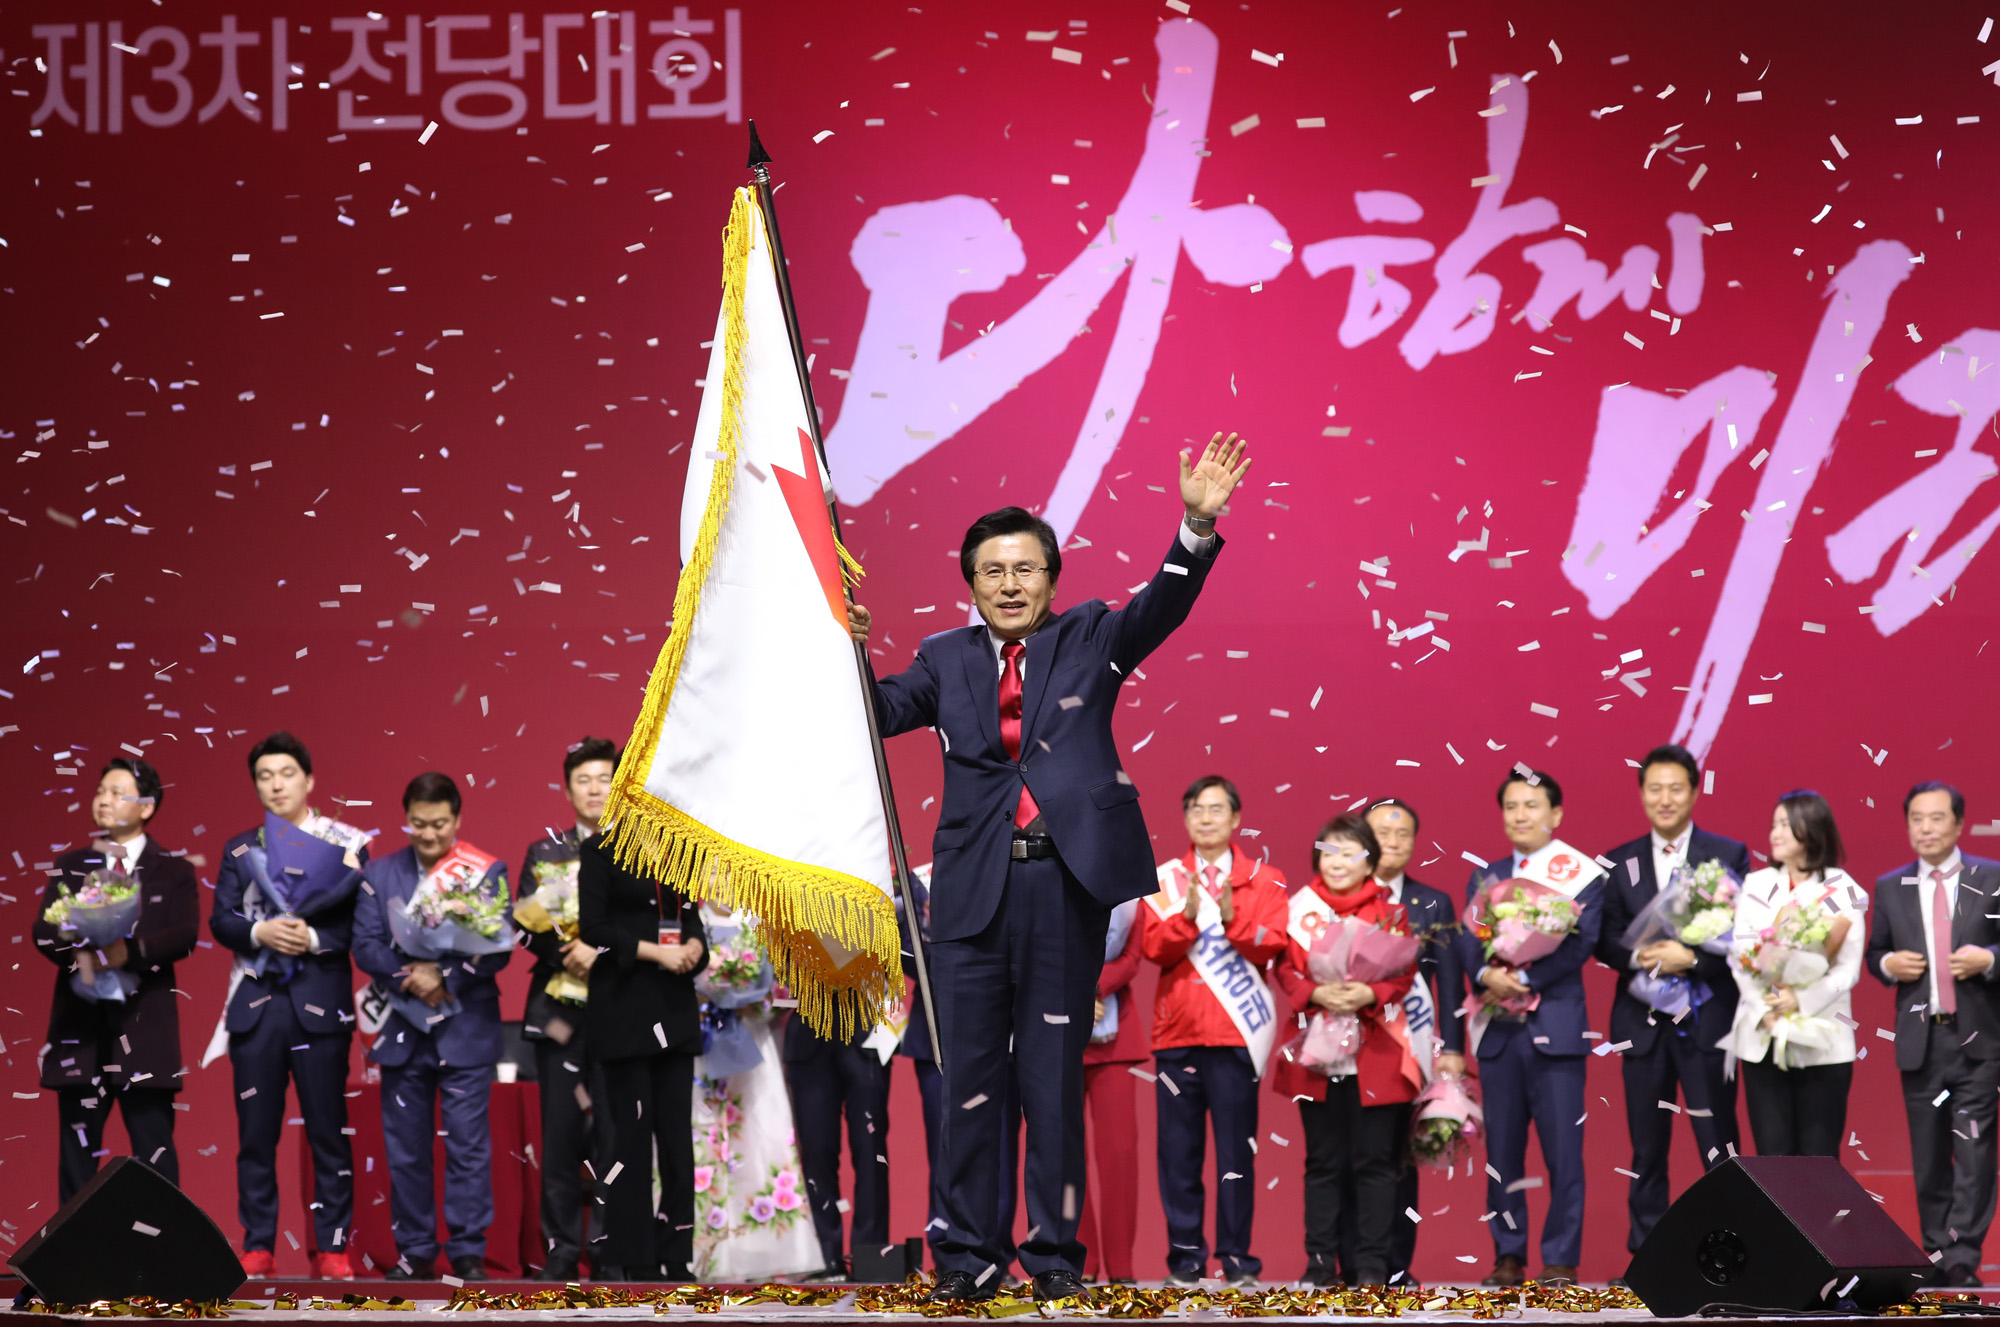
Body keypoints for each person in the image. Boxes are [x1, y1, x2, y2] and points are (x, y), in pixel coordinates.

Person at [849, 432, 1250, 1303]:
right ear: (970, 584)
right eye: (991, 571)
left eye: (1024, 568)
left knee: (1050, 1080)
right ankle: (966, 1256)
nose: (1009, 583)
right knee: (967, 1084)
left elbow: (1163, 607)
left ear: (1052, 579)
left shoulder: (1089, 635)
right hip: (970, 894)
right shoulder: (944, 657)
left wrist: (1195, 526)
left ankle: (1055, 1254)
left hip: (1061, 886)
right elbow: (875, 713)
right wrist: (845, 648)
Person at [208, 732, 370, 1279]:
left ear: (309, 779)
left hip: (320, 1004)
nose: (276, 785)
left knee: (328, 1131)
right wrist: (261, 931)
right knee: (255, 1134)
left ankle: (332, 1247)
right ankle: (258, 1244)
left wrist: (313, 938)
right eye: (264, 776)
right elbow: (222, 919)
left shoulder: (346, 845)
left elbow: (361, 925)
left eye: (286, 774)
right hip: (257, 1006)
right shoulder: (240, 848)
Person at [1436, 768, 1603, 1288]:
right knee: (1502, 1153)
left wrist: (1525, 977)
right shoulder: (1486, 877)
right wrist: (1486, 974)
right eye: (1511, 806)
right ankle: (1507, 1254)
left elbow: (1582, 942)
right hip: (1499, 1033)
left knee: (1564, 1153)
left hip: (1557, 1031)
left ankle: (1560, 1258)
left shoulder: (1581, 875)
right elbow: (1470, 938)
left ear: (1556, 814)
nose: (1520, 815)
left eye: (1531, 805)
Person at [352, 773, 514, 1280]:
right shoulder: (379, 873)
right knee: (406, 1149)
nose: (428, 834)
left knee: (468, 1146)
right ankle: (416, 1248)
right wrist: (412, 977)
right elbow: (365, 944)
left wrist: (444, 976)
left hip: (465, 1026)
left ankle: (467, 1250)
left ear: (457, 819)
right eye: (418, 824)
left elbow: (499, 947)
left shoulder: (485, 871)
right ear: (406, 819)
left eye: (439, 824)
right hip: (403, 1027)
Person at [1594, 744, 1751, 1258]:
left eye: (1675, 789)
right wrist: (1639, 957)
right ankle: (1648, 1258)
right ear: (1641, 794)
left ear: (1695, 792)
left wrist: (1693, 958)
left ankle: (1731, 1254)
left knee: (1719, 1144)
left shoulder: (1727, 855)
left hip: (1707, 1021)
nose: (1665, 799)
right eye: (1655, 789)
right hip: (1641, 1024)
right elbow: (1605, 937)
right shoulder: (1618, 861)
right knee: (1646, 1149)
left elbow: (1746, 935)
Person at [1140, 775, 1288, 1287]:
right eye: (1196, 809)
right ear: (1185, 818)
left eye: (1216, 808)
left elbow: (1273, 942)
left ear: (1236, 818)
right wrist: (1186, 918)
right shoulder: (1165, 880)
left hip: (1235, 1040)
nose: (1206, 818)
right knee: (1177, 1158)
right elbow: (1152, 948)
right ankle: (1185, 1260)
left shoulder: (1266, 879)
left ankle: (1237, 1258)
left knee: (1235, 1156)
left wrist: (1233, 921)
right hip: (1176, 1038)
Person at [33, 758, 199, 1203]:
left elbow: (184, 935)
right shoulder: (71, 864)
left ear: (146, 807)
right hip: (80, 1034)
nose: (103, 800)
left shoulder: (174, 870)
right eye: (99, 791)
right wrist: (83, 953)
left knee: (156, 1157)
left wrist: (130, 952)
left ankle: (165, 1244)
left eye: (116, 792)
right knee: (76, 1163)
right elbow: (43, 931)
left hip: (145, 1034)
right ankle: (74, 1249)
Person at [1271, 813, 1418, 1288]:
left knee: (1376, 1164)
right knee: (1323, 1163)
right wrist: (1314, 992)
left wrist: (1370, 993)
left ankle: (1372, 1266)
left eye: (1349, 852)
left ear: (1370, 862)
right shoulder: (1299, 909)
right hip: (1316, 1055)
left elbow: (1404, 973)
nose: (1337, 861)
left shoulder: (1391, 913)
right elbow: (1284, 968)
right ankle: (1319, 1264)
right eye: (1328, 851)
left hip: (1377, 1054)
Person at [1866, 782, 2000, 1287]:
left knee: (1974, 1151)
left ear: (1959, 823)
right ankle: (1938, 1252)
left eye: (1937, 818)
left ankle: (1963, 1255)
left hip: (1978, 1041)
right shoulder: (1890, 886)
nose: (1926, 828)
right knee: (1928, 1155)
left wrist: (1989, 959)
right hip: (1922, 1041)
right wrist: (1888, 964)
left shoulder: (1991, 878)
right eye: (1917, 819)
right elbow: (1874, 952)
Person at [577, 829, 709, 1281]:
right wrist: (656, 954)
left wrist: (695, 947)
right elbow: (593, 929)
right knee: (630, 1138)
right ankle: (633, 1255)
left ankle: (677, 1251)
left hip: (674, 1009)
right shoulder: (600, 849)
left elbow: (691, 919)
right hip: (624, 1009)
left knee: (677, 1140)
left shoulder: (680, 848)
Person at [516, 737, 617, 1281]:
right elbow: (523, 926)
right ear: (567, 789)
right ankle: (560, 1248)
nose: (595, 789)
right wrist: (569, 953)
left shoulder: (635, 853)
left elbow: (644, 922)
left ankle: (607, 1247)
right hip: (558, 1014)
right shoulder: (545, 851)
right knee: (559, 1135)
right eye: (584, 780)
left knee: (613, 1135)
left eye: (604, 778)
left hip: (617, 1010)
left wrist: (602, 953)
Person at [1724, 790, 1865, 1158]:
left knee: (1818, 1159)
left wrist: (1800, 999)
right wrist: (1767, 1007)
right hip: (1763, 1034)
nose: (1776, 833)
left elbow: (1847, 970)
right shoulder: (1756, 884)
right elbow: (1740, 955)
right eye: (1774, 824)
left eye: (1786, 825)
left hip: (1823, 1042)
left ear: (1813, 828)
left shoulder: (1844, 889)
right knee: (1773, 1158)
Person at [691, 903, 820, 1282]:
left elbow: (783, 990)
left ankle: (764, 1249)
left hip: (752, 1039)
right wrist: (704, 1000)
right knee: (704, 1138)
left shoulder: (763, 922)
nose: (721, 880)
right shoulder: (693, 922)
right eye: (713, 873)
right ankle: (706, 1250)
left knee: (761, 1133)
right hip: (703, 1039)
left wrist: (755, 1002)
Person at [1362, 797, 1454, 1285]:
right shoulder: (1344, 894)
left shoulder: (1433, 901)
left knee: (1400, 1157)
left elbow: (1451, 983)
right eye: (1382, 832)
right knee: (1355, 1156)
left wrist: (1452, 1050)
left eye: (1402, 834)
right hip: (1353, 1048)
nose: (1393, 842)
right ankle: (1354, 1263)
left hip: (1411, 1048)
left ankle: (1396, 1265)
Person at [781, 982, 892, 1280]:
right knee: (815, 1150)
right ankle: (824, 1256)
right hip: (808, 1027)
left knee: (871, 1151)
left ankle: (871, 1257)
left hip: (866, 1024)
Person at [1077, 897, 1144, 1286]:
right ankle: (1079, 1260)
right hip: (1057, 1030)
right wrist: (1076, 996)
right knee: (1063, 1154)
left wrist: (1095, 987)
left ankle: (1121, 1266)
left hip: (1115, 1039)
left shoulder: (1129, 891)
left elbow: (1132, 956)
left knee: (1119, 1153)